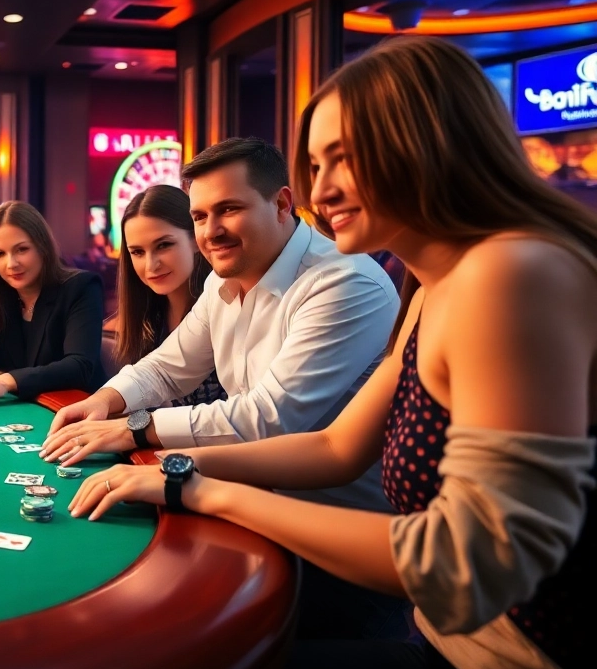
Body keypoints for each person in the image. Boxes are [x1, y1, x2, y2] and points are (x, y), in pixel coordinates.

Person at [68, 37, 597, 669]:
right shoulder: (433, 288)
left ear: (428, 139)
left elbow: (465, 568)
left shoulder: (510, 273)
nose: (323, 190)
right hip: (441, 642)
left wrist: (194, 487)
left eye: (345, 156)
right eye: (317, 164)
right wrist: (161, 463)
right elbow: (336, 446)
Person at [42, 137, 398, 516]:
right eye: (199, 217)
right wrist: (103, 401)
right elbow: (166, 367)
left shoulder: (343, 283)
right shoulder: (223, 279)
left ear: (280, 204)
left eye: (228, 209)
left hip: (337, 521)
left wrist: (132, 427)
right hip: (249, 498)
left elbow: (267, 419)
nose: (211, 232)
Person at [0, 201, 105, 407]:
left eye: (21, 249)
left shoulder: (80, 287)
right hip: (18, 408)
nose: (11, 264)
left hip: (76, 410)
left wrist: (5, 381)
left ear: (42, 247)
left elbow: (79, 366)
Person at [109, 185, 224, 407]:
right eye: (138, 252)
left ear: (195, 239)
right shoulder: (147, 318)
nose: (151, 265)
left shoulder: (225, 306)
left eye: (164, 245)